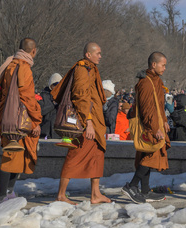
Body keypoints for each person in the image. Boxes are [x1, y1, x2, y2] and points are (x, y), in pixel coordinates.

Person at [0, 38, 42, 203]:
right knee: (11, 155)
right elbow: (27, 97)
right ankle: (3, 195)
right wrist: (36, 120)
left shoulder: (9, 64)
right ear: (33, 51)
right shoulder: (23, 68)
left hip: (7, 117)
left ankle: (9, 192)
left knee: (17, 155)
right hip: (18, 120)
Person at [55, 42, 112, 205]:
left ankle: (95, 193)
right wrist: (88, 122)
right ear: (88, 55)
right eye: (98, 53)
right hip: (86, 122)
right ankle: (61, 194)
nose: (100, 56)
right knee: (75, 156)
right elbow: (80, 96)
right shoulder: (82, 69)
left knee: (97, 155)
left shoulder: (91, 69)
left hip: (96, 121)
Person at [122, 52, 170, 203]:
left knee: (145, 155)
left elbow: (159, 105)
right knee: (151, 156)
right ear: (153, 64)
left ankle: (144, 190)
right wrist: (155, 128)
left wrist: (164, 121)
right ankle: (132, 186)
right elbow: (148, 109)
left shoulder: (156, 80)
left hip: (157, 124)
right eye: (163, 65)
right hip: (150, 127)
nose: (164, 68)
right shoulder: (146, 82)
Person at [39, 73, 62, 140]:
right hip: (44, 133)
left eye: (59, 85)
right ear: (50, 85)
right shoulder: (43, 95)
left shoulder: (64, 97)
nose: (57, 87)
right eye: (55, 84)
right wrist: (53, 104)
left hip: (58, 134)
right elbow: (40, 111)